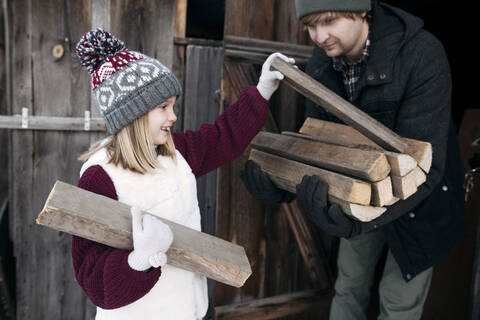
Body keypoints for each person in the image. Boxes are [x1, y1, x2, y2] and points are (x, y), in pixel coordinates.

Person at [241, 1, 465, 319]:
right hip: (359, 194)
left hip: (421, 200)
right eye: (310, 26)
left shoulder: (421, 54)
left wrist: (362, 223)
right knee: (349, 285)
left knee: (398, 300)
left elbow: (427, 169)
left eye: (329, 21)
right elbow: (320, 147)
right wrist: (281, 186)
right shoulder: (323, 61)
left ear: (361, 11)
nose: (319, 36)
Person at [72, 28, 294, 320]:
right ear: (133, 115)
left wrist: (263, 89)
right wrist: (139, 260)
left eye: (173, 105)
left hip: (191, 310)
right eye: (163, 107)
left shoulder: (175, 154)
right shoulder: (100, 177)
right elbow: (93, 279)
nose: (173, 116)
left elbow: (223, 137)